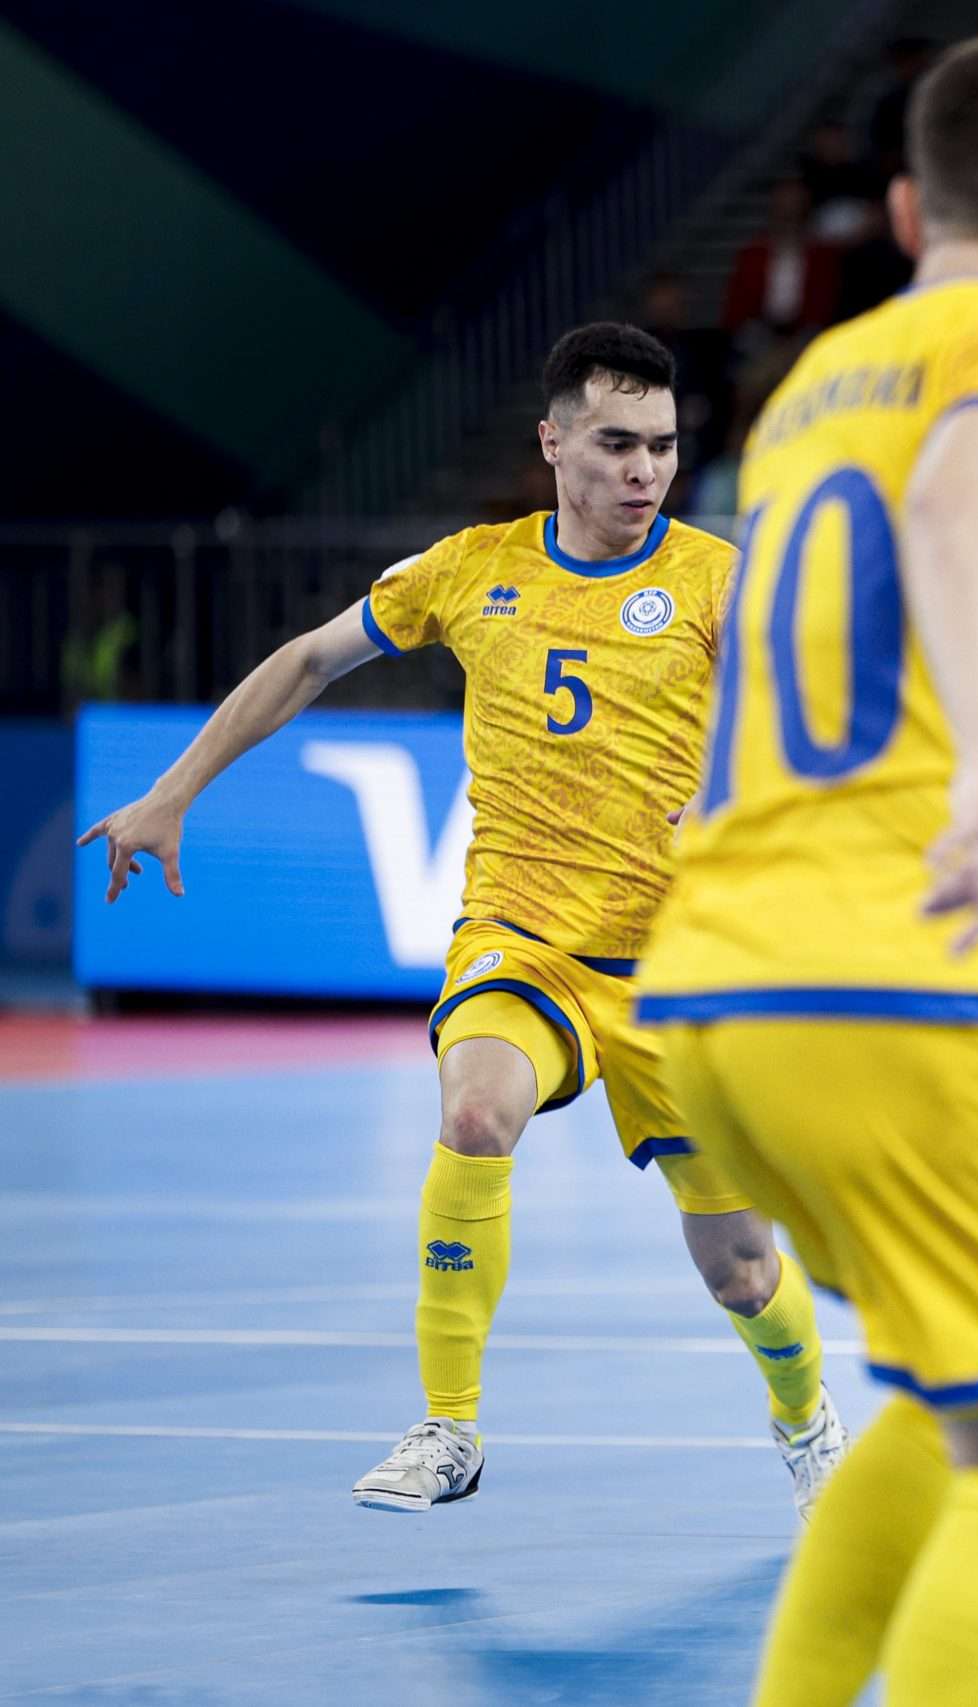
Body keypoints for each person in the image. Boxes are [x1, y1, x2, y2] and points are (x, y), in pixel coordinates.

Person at [634, 30, 978, 1706]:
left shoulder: (820, 377)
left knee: (962, 1399)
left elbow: (836, 643)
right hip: (891, 980)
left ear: (900, 206)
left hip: (718, 992)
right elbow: (960, 510)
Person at [78, 325, 848, 1520]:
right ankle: (449, 1427)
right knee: (477, 1110)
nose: (644, 471)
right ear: (553, 443)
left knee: (740, 1270)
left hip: (682, 974)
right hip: (522, 940)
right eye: (615, 444)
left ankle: (808, 1424)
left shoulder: (717, 577)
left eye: (663, 446)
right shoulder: (473, 569)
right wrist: (175, 791)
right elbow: (309, 661)